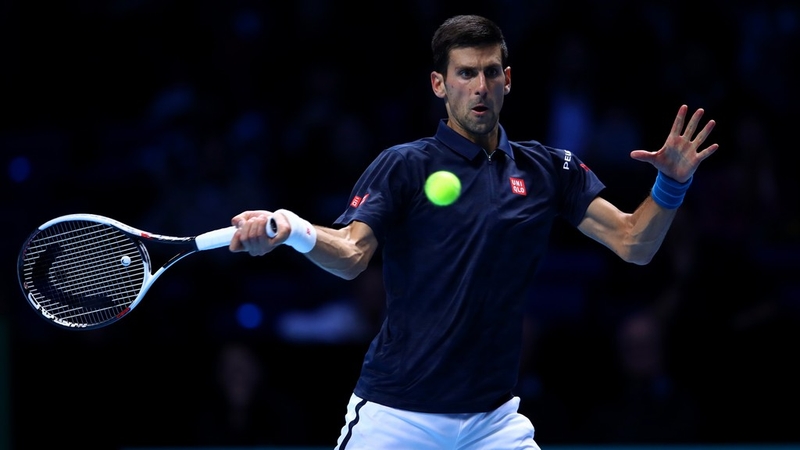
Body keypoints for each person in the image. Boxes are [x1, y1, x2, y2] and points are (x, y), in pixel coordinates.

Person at [229, 14, 718, 449]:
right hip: (398, 415)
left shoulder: (548, 169)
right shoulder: (404, 165)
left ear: (508, 80)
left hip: (493, 421)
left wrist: (671, 186)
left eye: (491, 72)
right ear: (439, 85)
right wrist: (292, 228)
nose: (480, 86)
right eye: (465, 73)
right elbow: (352, 253)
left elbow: (634, 244)